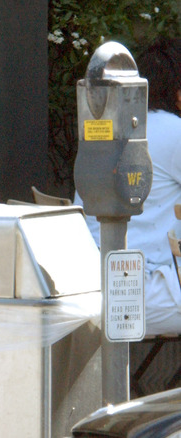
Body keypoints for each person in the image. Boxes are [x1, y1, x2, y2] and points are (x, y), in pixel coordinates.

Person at [74, 37, 181, 335]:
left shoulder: (111, 130)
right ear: (178, 93)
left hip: (93, 287)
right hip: (144, 294)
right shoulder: (174, 132)